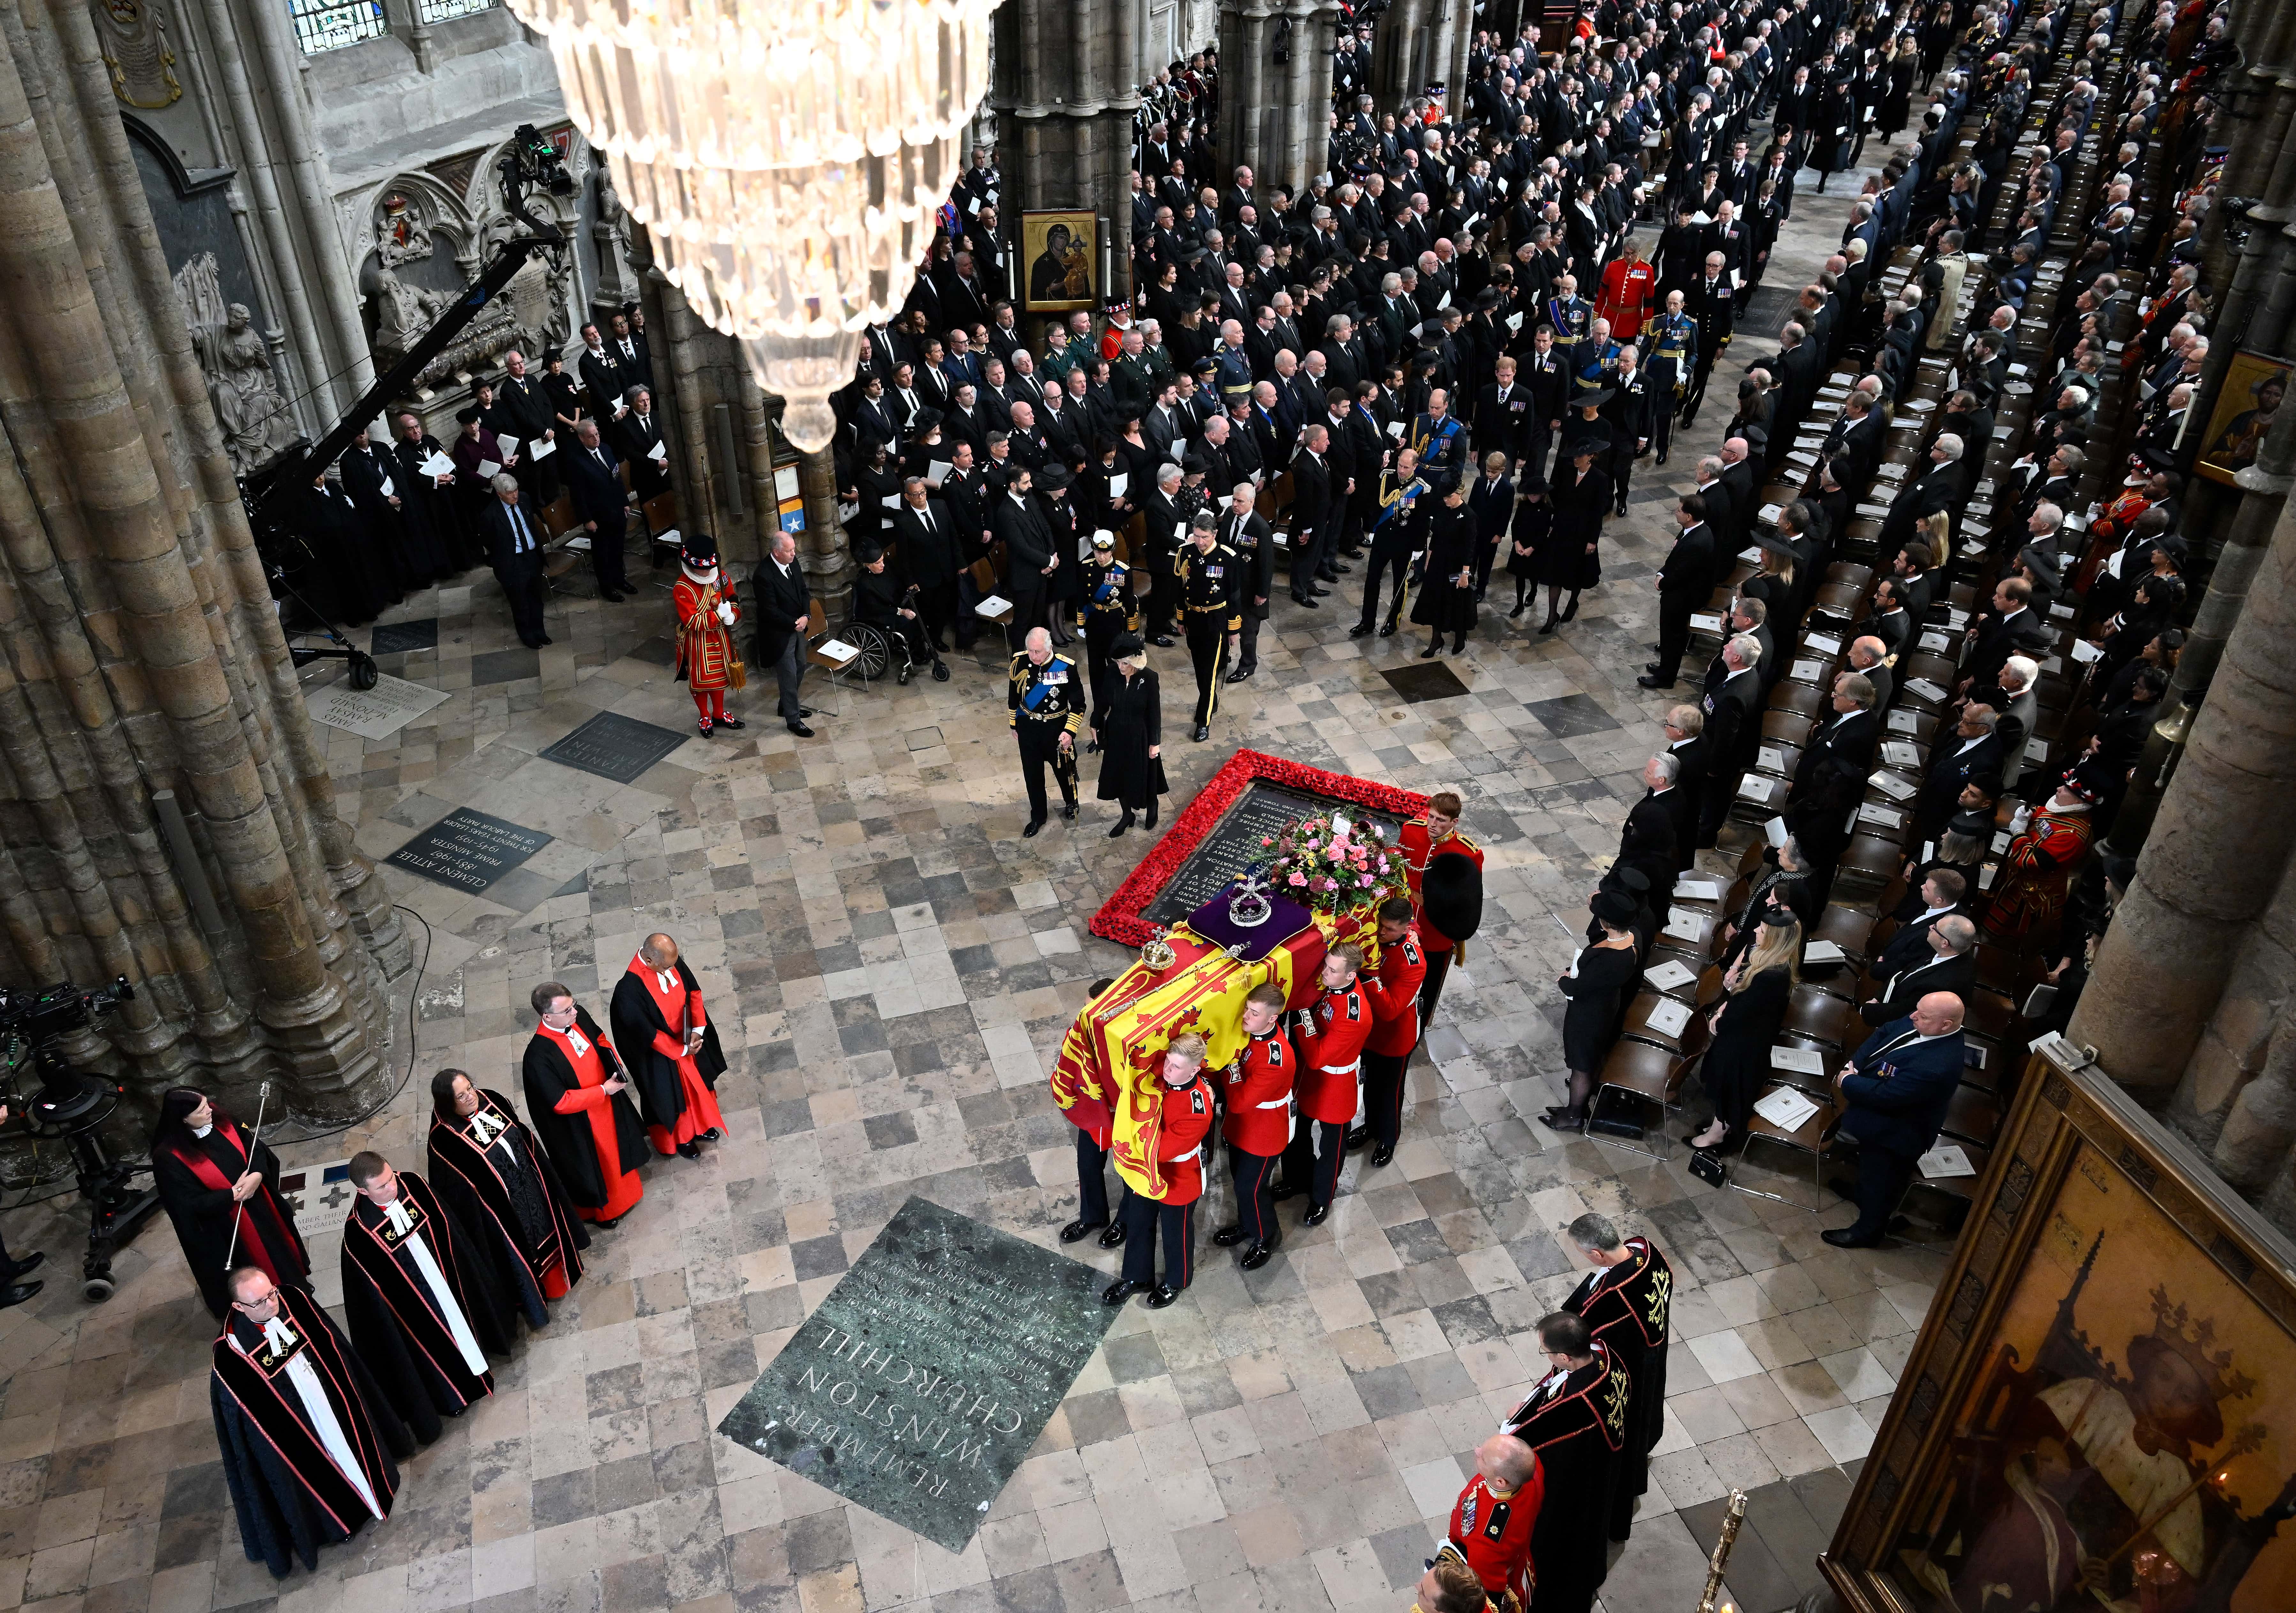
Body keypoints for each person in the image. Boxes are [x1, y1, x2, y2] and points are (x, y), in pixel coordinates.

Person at [210, 1265, 407, 1578]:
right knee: (311, 1470)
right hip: (297, 1428)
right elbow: (242, 1423)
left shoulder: (295, 1303)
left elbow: (332, 1345)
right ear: (238, 1307)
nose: (272, 1304)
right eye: (259, 1303)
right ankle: (338, 1522)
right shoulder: (231, 1357)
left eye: (271, 1294)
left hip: (328, 1402)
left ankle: (372, 1487)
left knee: (351, 1440)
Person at [338, 1152, 505, 1447]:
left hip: (445, 1278)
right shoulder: (359, 1233)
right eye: (382, 1187)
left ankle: (483, 1353)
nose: (393, 1188)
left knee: (464, 1317)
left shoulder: (413, 1185)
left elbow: (447, 1225)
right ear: (362, 1191)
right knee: (431, 1346)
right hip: (414, 1308)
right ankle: (452, 1394)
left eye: (391, 1178)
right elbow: (367, 1299)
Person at [426, 1069, 587, 1323]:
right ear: (447, 1102)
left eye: (470, 1088)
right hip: (504, 1213)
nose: (470, 1097)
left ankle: (560, 1277)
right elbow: (455, 1193)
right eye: (461, 1096)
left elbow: (522, 1135)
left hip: (530, 1185)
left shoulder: (493, 1100)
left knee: (548, 1226)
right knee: (521, 1251)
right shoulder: (445, 1141)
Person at [1502, 1311, 1629, 1613]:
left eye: (1546, 1352)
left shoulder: (1575, 1400)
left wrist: (1513, 1420)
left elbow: (1524, 1438)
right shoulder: (1606, 1357)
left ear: (1564, 1357)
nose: (1546, 1358)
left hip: (1580, 1474)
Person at [1823, 992, 1969, 1247]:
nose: (1912, 1016)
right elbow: (1885, 1032)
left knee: (1882, 1182)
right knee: (1869, 1172)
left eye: (1921, 1016)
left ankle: (1867, 1232)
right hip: (1876, 1117)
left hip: (1896, 1133)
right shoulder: (1924, 1019)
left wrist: (1848, 1080)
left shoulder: (1938, 1064)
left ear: (1946, 1025)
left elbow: (1888, 1096)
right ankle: (1861, 1195)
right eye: (1916, 1010)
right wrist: (1854, 1065)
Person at [151, 1087, 309, 1320]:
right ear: (184, 1119)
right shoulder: (169, 1157)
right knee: (250, 1265)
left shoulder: (221, 1118)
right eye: (201, 1109)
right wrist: (232, 1195)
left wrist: (256, 1174)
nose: (209, 1110)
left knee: (279, 1249)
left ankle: (291, 1288)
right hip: (226, 1225)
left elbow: (253, 1144)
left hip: (261, 1204)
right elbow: (185, 1204)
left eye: (207, 1103)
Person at [1561, 1214, 1671, 1542]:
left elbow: (1583, 1330)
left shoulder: (1611, 1294)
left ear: (1597, 1255)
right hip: (1655, 1349)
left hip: (1630, 1365)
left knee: (1628, 1426)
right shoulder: (1647, 1250)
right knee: (1648, 1409)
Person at [520, 981, 648, 1227]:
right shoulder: (537, 1057)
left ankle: (629, 1193)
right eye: (567, 1011)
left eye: (573, 1005)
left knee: (618, 1151)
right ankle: (606, 1212)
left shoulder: (579, 1017)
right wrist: (603, 1090)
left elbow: (599, 1038)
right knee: (598, 1165)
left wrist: (615, 1064)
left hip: (608, 1103)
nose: (575, 1013)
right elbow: (560, 1102)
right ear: (547, 1016)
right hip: (582, 1121)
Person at [1103, 1034, 1215, 1309]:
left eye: (1176, 1067)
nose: (1167, 1070)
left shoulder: (1197, 1109)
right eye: (1168, 1062)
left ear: (1195, 1070)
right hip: (1146, 1172)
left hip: (1178, 1175)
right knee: (1140, 1222)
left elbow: (1161, 1151)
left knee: (1176, 1232)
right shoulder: (1163, 1076)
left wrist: (1135, 1126)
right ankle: (1137, 1277)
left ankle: (1177, 1280)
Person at [1274, 946, 1371, 1227]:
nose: (1324, 973)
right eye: (1326, 966)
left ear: (1350, 975)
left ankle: (1321, 1198)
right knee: (1298, 1132)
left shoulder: (1355, 1016)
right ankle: (1296, 1179)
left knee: (1331, 1148)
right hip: (1311, 1078)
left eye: (1332, 970)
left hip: (1336, 1084)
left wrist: (1303, 1018)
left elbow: (1317, 1058)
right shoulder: (1335, 987)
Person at [609, 932, 728, 1160]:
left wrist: (697, 1030)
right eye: (666, 967)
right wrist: (681, 1051)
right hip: (660, 1055)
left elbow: (694, 992)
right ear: (651, 961)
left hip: (687, 1040)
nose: (672, 970)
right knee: (672, 1098)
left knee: (698, 1085)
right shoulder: (628, 991)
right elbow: (648, 1034)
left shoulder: (669, 962)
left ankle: (701, 1126)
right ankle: (681, 1140)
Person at [1691, 914, 1800, 1152]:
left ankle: (1716, 1136)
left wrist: (1719, 1021)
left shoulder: (1771, 976)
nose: (1756, 932)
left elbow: (1744, 1012)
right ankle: (1718, 1126)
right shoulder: (1775, 962)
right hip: (1748, 1035)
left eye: (1761, 930)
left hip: (1744, 1042)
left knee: (1729, 1086)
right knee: (1728, 1083)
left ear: (1774, 938)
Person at [1212, 983, 1291, 1270]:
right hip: (1242, 1127)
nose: (1245, 1016)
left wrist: (1231, 1069)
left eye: (1254, 1013)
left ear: (1272, 1018)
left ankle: (1266, 1234)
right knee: (1239, 1181)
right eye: (1247, 1008)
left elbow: (1242, 1102)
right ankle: (1248, 1224)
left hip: (1263, 1133)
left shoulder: (1275, 1059)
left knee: (1250, 1188)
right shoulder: (1251, 1035)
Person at [1547, 892, 1640, 1132]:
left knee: (1582, 1065)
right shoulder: (1632, 940)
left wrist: (1564, 981)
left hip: (1589, 1015)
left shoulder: (1610, 959)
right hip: (1604, 1006)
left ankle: (1573, 1116)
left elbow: (1579, 987)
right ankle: (1574, 1109)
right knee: (1588, 1059)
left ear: (1605, 922)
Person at [1352, 897, 1428, 1168]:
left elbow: (1391, 1009)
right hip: (1369, 1032)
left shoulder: (1413, 962)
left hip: (1394, 1037)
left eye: (1390, 930)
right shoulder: (1374, 937)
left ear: (1406, 928)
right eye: (1380, 926)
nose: (1382, 933)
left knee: (1390, 1092)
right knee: (1369, 1084)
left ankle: (1388, 1136)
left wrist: (1367, 978)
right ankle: (1371, 1127)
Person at [1401, 791, 1483, 1027]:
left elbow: (1468, 897)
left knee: (1428, 982)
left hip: (1435, 930)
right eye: (1431, 817)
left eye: (1441, 821)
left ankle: (1420, 1022)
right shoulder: (1411, 830)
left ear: (1454, 823)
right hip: (1403, 916)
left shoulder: (1469, 853)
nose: (1433, 825)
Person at [1447, 1434, 1544, 1611]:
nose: (1477, 1451)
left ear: (1500, 1482)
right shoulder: (1532, 1469)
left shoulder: (1487, 1541)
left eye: (1483, 1457)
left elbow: (1484, 1593)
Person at [1170, 513, 1242, 740]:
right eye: (1197, 536)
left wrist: (1234, 629)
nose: (1200, 542)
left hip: (1215, 620)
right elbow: (1180, 589)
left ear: (1215, 535)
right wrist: (1181, 619)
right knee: (1200, 668)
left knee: (1209, 672)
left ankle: (1203, 721)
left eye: (1205, 537)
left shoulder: (1227, 557)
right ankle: (1210, 701)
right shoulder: (1186, 552)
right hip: (1193, 618)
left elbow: (1234, 595)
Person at [1010, 625, 1086, 836]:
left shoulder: (1065, 667)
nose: (1033, 656)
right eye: (1031, 651)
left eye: (1038, 652)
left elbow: (1079, 704)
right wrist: (1014, 725)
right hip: (1028, 731)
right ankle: (1038, 817)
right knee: (1032, 777)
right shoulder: (1019, 662)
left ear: (1050, 647)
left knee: (1064, 771)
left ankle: (1071, 802)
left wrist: (1069, 732)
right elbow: (1013, 697)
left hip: (1056, 730)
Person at [671, 534, 744, 736]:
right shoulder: (682, 588)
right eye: (701, 570)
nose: (706, 573)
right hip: (698, 641)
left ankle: (719, 713)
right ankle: (705, 714)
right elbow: (692, 621)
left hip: (720, 638)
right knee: (701, 681)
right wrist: (719, 616)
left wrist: (734, 615)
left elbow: (733, 597)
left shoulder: (721, 575)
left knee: (720, 677)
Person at [1095, 632, 1166, 836]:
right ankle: (1127, 815)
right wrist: (1095, 722)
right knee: (1118, 777)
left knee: (1145, 776)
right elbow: (1103, 701)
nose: (1121, 667)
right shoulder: (1112, 673)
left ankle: (1153, 806)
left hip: (1140, 736)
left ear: (1136, 662)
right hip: (1116, 733)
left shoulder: (1150, 678)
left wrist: (1155, 743)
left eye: (1125, 663)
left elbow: (1155, 712)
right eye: (1118, 662)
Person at [1539, 441, 1608, 633]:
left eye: (1580, 456)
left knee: (1577, 572)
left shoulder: (1600, 479)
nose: (1576, 460)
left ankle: (1573, 601)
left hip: (1582, 533)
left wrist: (1593, 540)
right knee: (1555, 574)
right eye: (1575, 456)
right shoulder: (1569, 472)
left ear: (1591, 456)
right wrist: (1553, 524)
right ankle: (1552, 615)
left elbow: (1598, 512)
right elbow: (1559, 501)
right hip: (1563, 529)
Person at [752, 531, 816, 737]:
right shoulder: (763, 575)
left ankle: (785, 705)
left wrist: (806, 615)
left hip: (797, 625)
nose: (793, 554)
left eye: (794, 549)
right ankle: (793, 720)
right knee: (788, 674)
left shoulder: (793, 562)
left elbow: (803, 591)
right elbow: (769, 610)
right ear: (776, 552)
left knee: (801, 665)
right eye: (789, 551)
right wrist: (793, 623)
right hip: (779, 633)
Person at [477, 473, 549, 648]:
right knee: (520, 602)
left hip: (532, 556)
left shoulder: (525, 499)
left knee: (536, 598)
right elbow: (487, 543)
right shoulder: (490, 515)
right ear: (500, 494)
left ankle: (540, 631)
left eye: (516, 490)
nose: (515, 495)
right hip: (513, 563)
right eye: (510, 493)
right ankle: (527, 635)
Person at [563, 417, 632, 600]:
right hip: (598, 516)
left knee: (618, 548)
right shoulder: (575, 461)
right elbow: (578, 495)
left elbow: (617, 479)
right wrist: (587, 520)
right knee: (603, 554)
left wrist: (625, 502)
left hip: (617, 510)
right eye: (591, 437)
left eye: (597, 434)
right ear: (582, 439)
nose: (596, 439)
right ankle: (607, 587)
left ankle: (620, 580)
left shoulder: (606, 449)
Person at [1412, 473, 1478, 657]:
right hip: (1439, 561)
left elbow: (1469, 547)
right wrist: (1428, 560)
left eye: (1450, 497)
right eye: (1445, 497)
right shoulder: (1441, 507)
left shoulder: (1469, 516)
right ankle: (1436, 639)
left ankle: (1460, 636)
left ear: (1460, 494)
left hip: (1457, 565)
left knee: (1456, 602)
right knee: (1435, 600)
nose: (1447, 500)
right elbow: (1435, 537)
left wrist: (1465, 573)